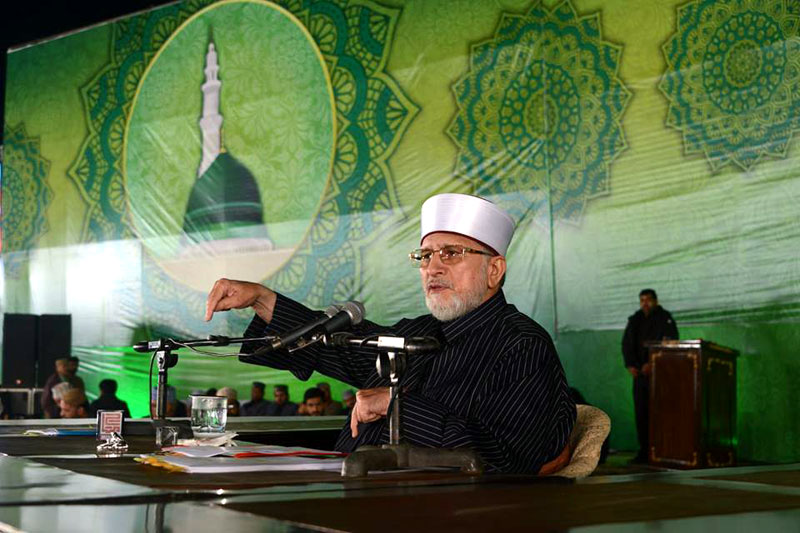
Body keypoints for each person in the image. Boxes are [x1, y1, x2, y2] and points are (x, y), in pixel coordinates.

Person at [205, 193, 576, 474]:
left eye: (451, 254)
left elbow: (506, 460)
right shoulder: (417, 331)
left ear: (494, 270)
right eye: (425, 255)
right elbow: (339, 347)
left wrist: (397, 406)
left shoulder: (522, 345)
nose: (433, 268)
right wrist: (263, 299)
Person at [622, 288, 679, 463]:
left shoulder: (665, 318)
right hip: (639, 376)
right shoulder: (635, 319)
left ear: (656, 301)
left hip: (659, 375)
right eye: (642, 300)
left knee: (660, 413)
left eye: (648, 300)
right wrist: (631, 365)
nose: (645, 303)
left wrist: (653, 363)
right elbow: (626, 343)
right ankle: (644, 451)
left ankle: (662, 451)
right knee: (641, 413)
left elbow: (670, 343)